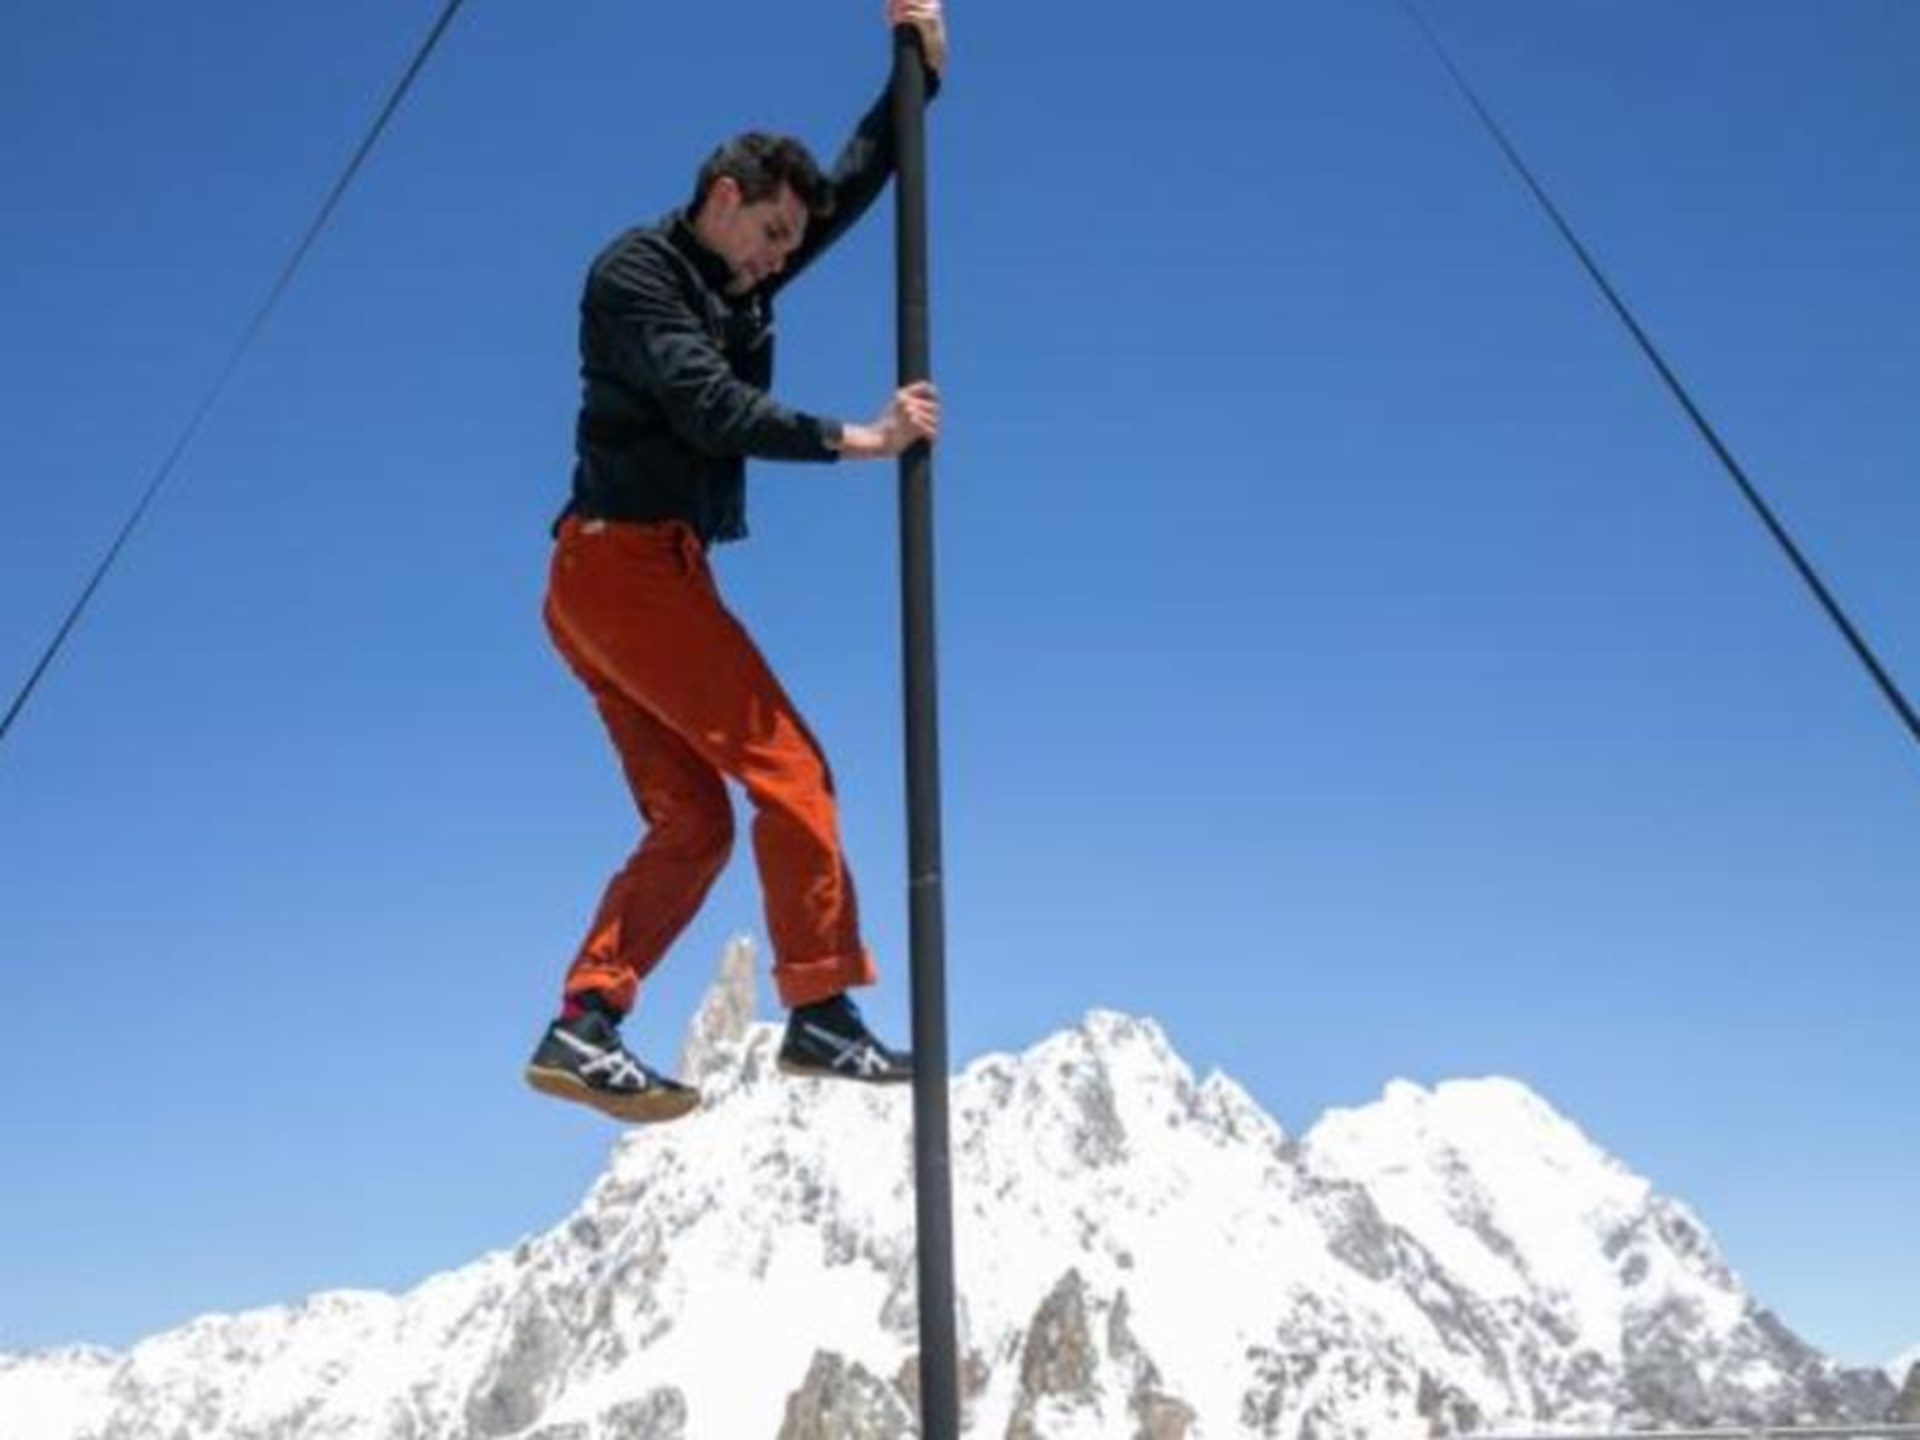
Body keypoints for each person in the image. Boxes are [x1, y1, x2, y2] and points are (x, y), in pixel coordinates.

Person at [525, 0, 949, 1123]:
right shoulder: (638, 276)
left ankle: (585, 1022)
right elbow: (708, 407)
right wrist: (862, 439)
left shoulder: (732, 278)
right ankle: (821, 1006)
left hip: (619, 582)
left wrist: (916, 77)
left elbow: (848, 188)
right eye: (770, 236)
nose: (778, 262)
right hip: (623, 572)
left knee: (697, 824)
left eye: (789, 250)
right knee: (793, 772)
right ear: (724, 199)